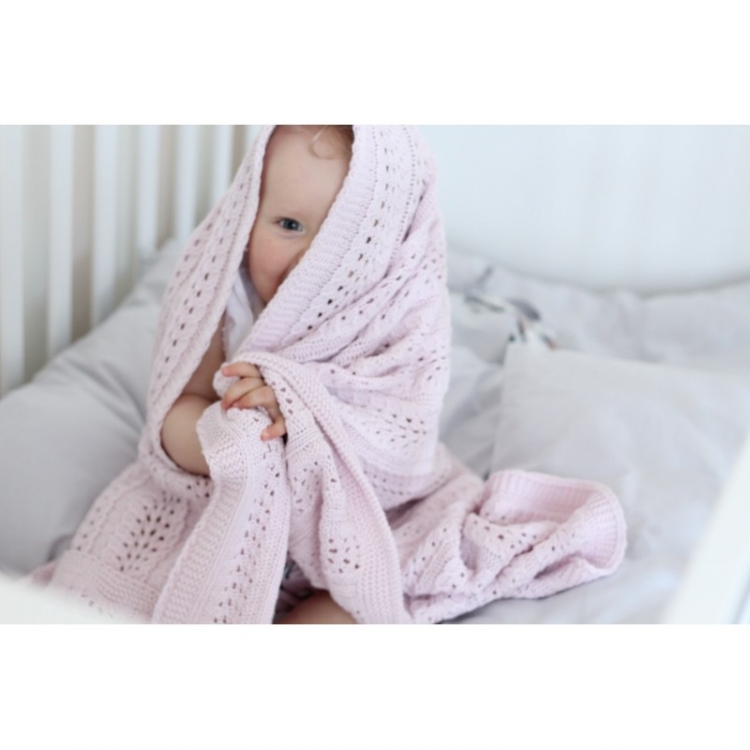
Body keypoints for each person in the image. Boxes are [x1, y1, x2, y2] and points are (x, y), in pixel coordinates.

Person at [161, 125, 357, 623]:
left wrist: (307, 421)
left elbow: (395, 431)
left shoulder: (384, 321)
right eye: (289, 225)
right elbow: (175, 414)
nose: (312, 258)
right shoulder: (225, 301)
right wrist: (240, 437)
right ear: (246, 221)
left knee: (361, 606)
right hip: (225, 504)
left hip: (339, 529)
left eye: (344, 237)